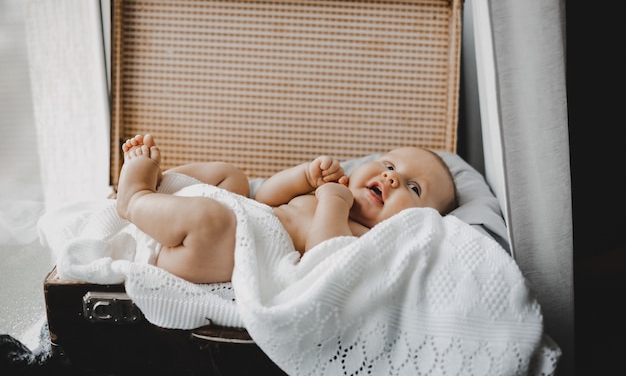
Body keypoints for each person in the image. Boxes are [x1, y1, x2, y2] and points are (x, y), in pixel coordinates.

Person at [116, 134, 458, 284]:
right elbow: (263, 198)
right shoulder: (327, 192)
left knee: (211, 219)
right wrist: (304, 176)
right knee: (233, 177)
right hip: (242, 213)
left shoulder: (362, 238)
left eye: (414, 188)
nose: (391, 178)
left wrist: (333, 203)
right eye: (389, 165)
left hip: (220, 255)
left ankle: (134, 199)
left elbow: (326, 256)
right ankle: (164, 184)